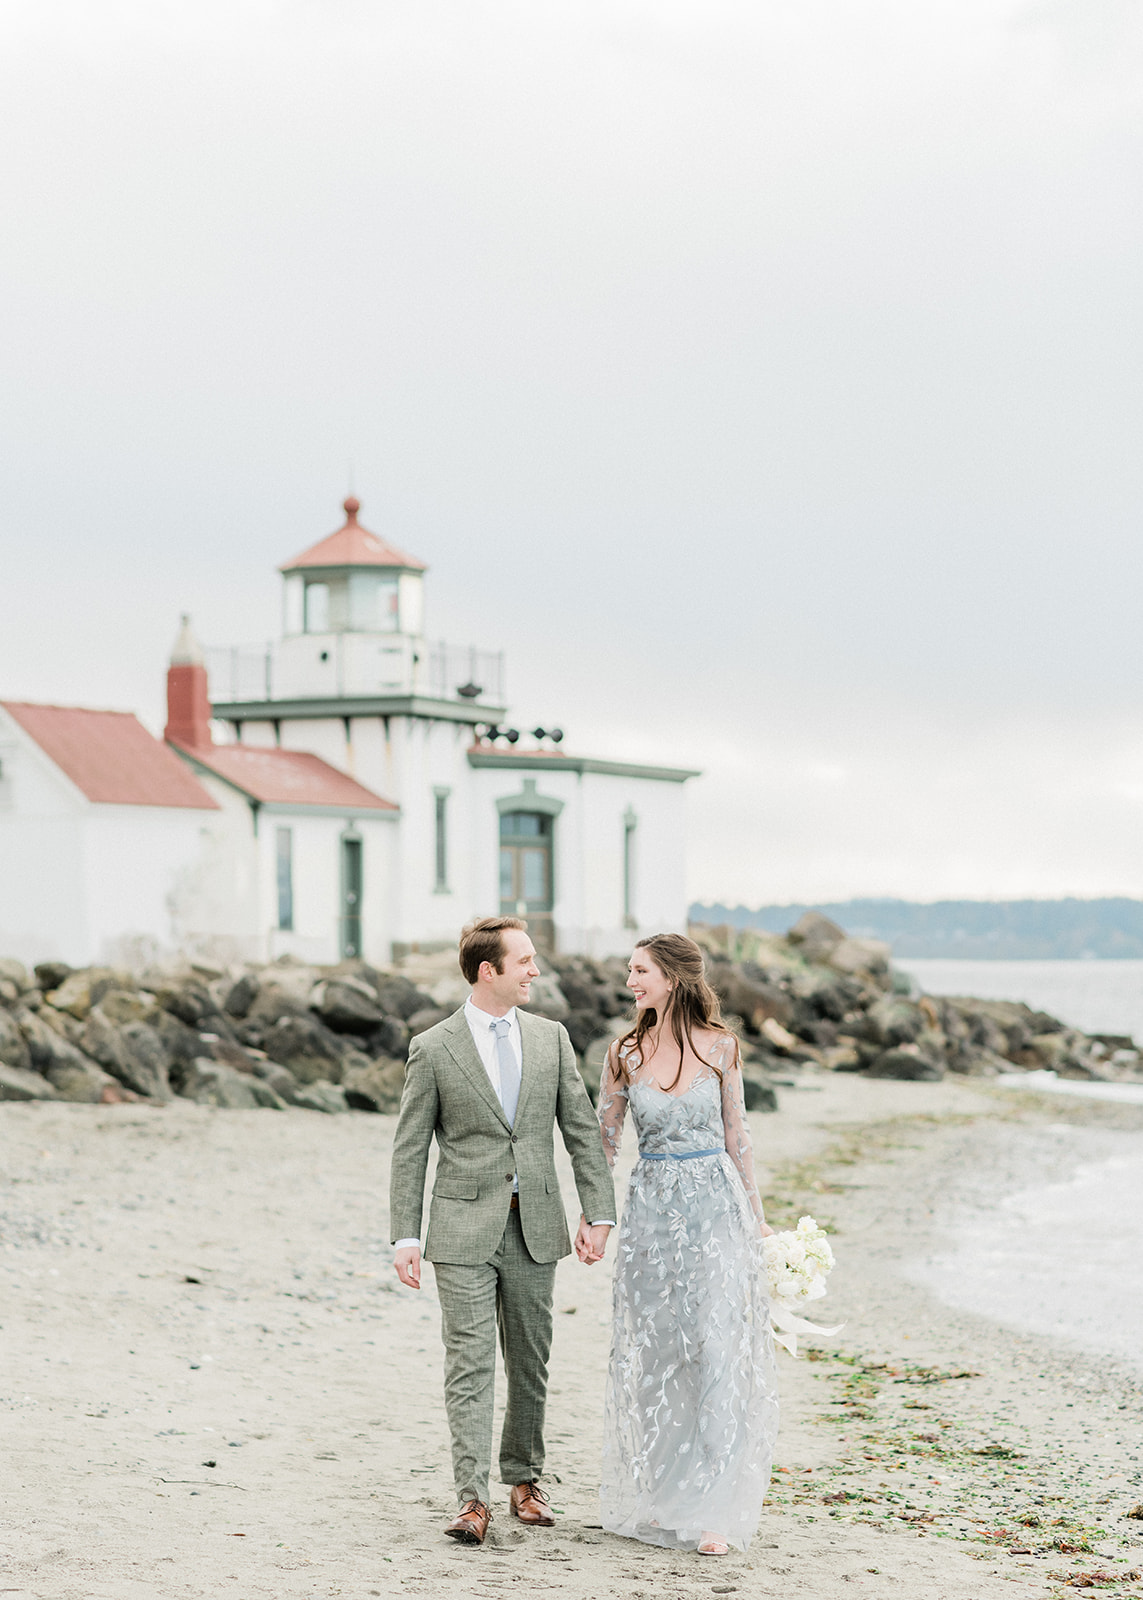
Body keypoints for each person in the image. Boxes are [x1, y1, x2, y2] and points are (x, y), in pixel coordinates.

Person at [390, 916, 616, 1546]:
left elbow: (580, 1130)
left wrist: (597, 1212)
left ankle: (523, 1480)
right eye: (524, 962)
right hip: (461, 1230)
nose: (534, 972)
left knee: (530, 1361)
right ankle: (471, 1498)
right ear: (488, 970)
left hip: (535, 1226)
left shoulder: (552, 1039)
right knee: (468, 1364)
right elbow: (410, 1149)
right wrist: (404, 1236)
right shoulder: (433, 1048)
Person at [593, 932, 779, 1556]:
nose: (630, 982)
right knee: (659, 1356)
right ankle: (668, 1498)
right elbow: (605, 1142)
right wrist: (596, 1215)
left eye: (639, 971)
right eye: (630, 971)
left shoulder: (723, 1047)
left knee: (716, 1348)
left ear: (671, 977)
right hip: (650, 1215)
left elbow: (738, 1135)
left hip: (715, 1208)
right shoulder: (623, 1052)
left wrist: (758, 1220)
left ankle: (717, 1511)